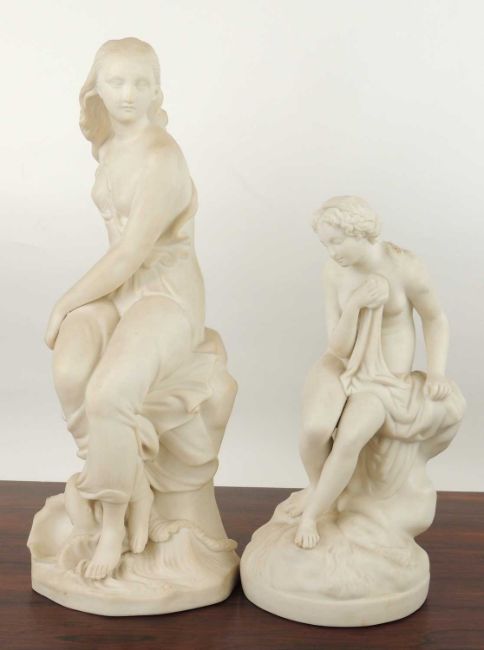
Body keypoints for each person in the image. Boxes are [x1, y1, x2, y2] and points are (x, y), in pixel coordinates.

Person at [45, 38, 207, 579]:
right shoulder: (110, 145)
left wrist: (66, 301)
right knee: (70, 370)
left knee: (109, 392)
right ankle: (127, 479)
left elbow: (132, 252)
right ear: (96, 88)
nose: (129, 94)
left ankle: (112, 524)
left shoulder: (163, 158)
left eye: (142, 83)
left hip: (164, 295)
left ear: (158, 90)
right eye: (116, 82)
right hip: (119, 294)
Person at [292, 196, 461, 549]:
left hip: (383, 382)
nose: (331, 252)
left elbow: (435, 319)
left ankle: (313, 515)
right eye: (325, 244)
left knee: (350, 438)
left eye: (337, 241)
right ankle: (317, 488)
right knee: (313, 430)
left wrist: (436, 372)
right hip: (341, 364)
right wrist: (356, 303)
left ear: (360, 232)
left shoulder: (404, 267)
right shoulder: (333, 272)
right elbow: (338, 347)